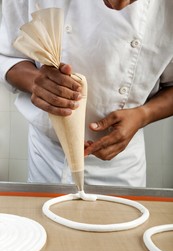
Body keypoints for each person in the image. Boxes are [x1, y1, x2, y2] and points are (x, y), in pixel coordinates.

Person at [0, 0, 173, 187]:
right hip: (49, 159)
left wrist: (144, 115)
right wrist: (35, 82)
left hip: (122, 164)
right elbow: (7, 56)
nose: (119, 3)